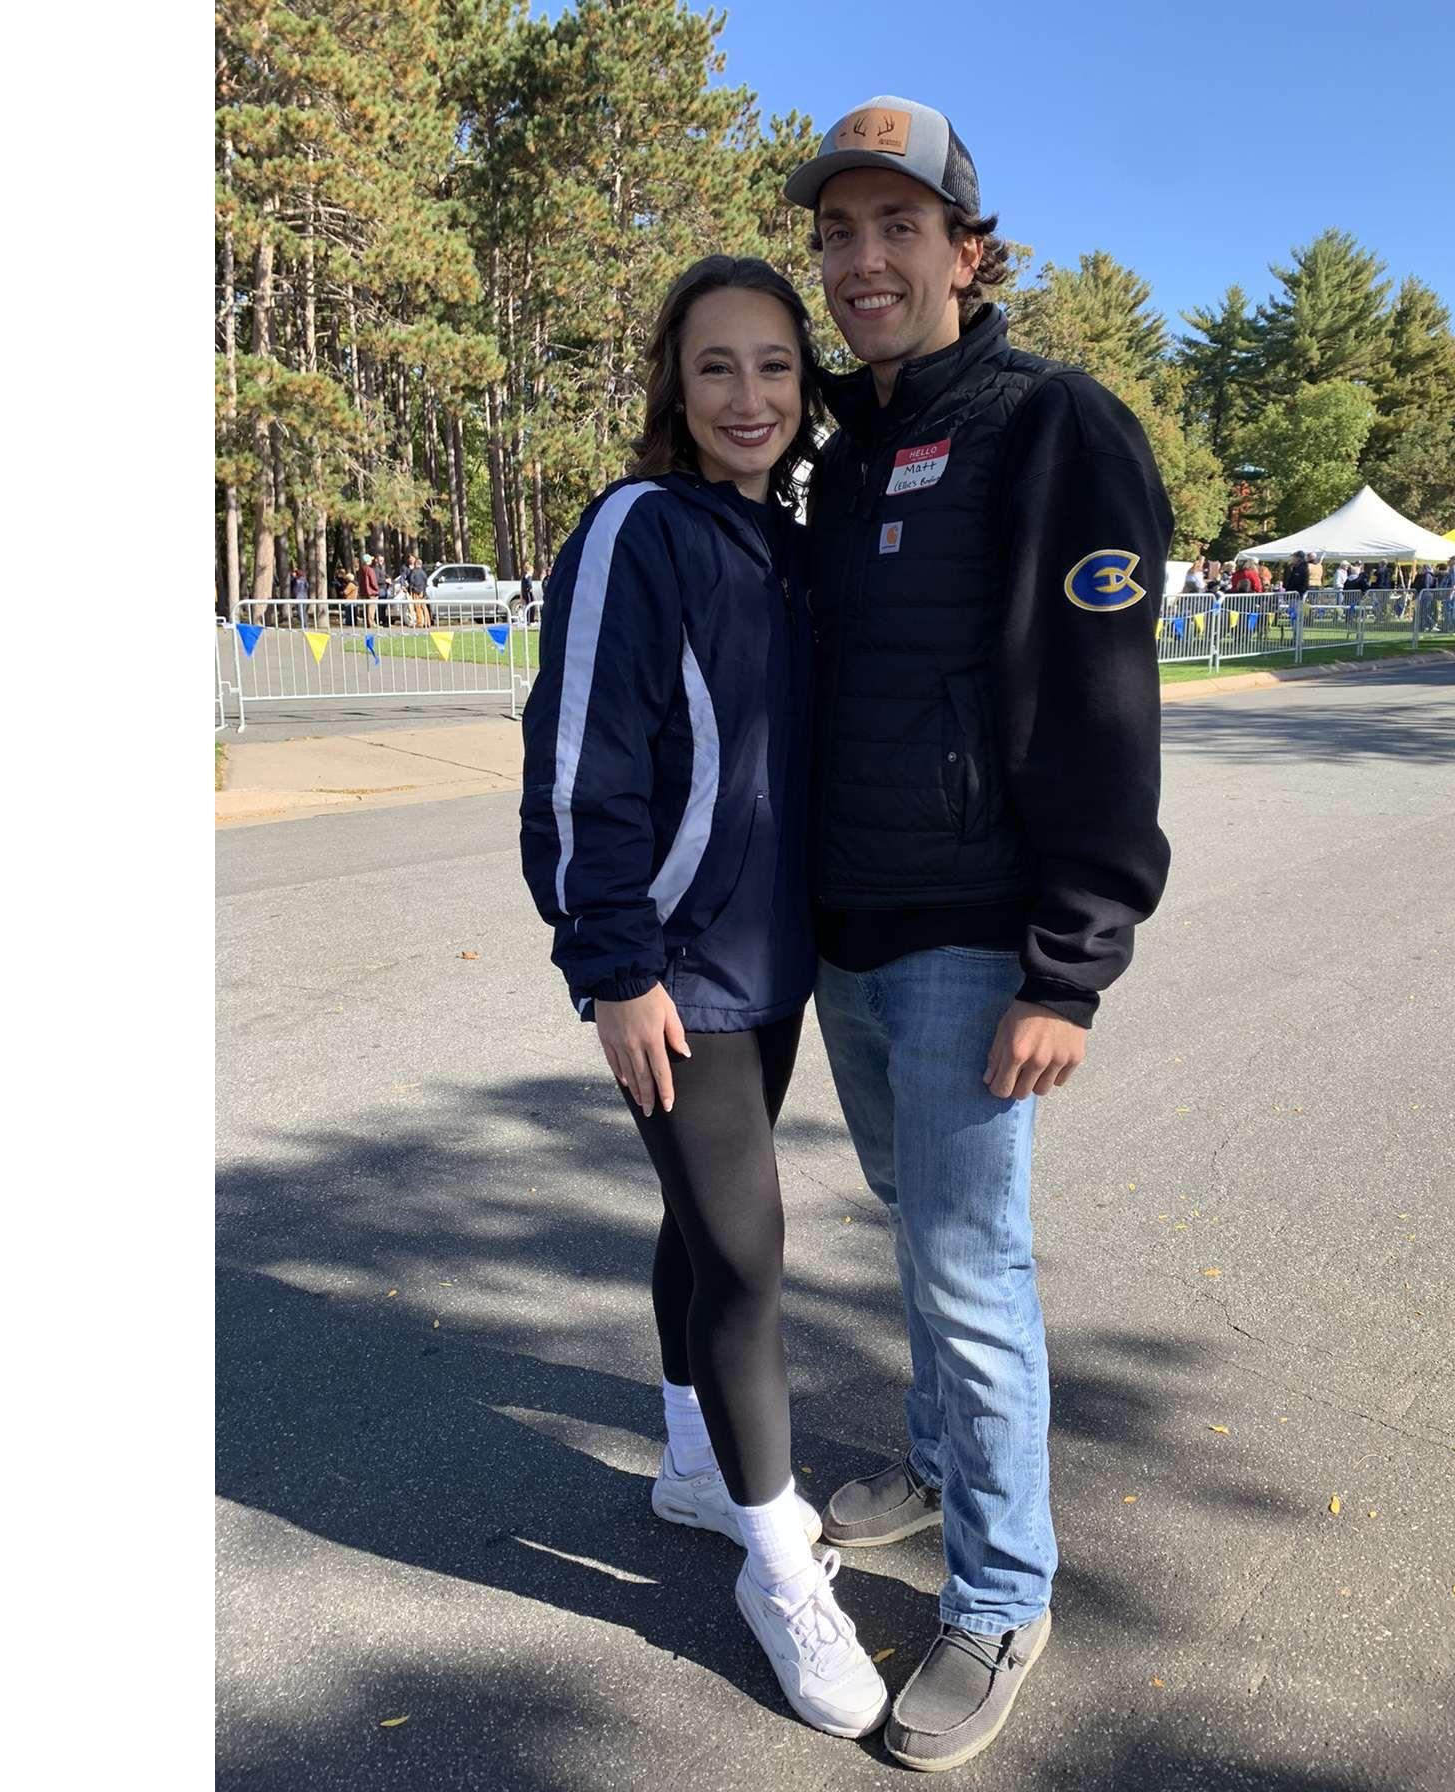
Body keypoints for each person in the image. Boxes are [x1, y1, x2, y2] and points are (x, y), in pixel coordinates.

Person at [786, 97, 1171, 1771]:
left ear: (966, 248)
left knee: (968, 1258)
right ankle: (942, 1462)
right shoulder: (847, 449)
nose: (863, 260)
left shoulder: (1051, 423)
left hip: (972, 933)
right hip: (848, 927)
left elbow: (1105, 702)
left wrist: (1068, 964)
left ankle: (1004, 1590)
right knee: (915, 1225)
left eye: (898, 227)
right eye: (838, 234)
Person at [519, 255, 891, 1742]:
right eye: (717, 365)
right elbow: (580, 755)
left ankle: (689, 1459)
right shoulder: (639, 525)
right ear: (674, 385)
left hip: (772, 961)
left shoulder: (783, 542)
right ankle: (777, 1566)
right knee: (748, 1253)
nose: (750, 396)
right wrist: (612, 964)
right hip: (670, 970)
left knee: (700, 1223)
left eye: (776, 366)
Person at [406, 553, 431, 628]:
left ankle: (420, 622)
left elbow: (411, 581)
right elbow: (425, 582)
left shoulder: (414, 572)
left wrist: (410, 588)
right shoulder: (423, 573)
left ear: (416, 564)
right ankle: (427, 622)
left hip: (416, 591)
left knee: (417, 607)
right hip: (422, 591)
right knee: (424, 606)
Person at [358, 552, 381, 629]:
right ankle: (371, 623)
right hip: (371, 592)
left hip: (364, 592)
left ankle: (367, 623)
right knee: (371, 609)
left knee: (366, 608)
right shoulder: (370, 570)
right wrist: (377, 589)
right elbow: (373, 581)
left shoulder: (361, 569)